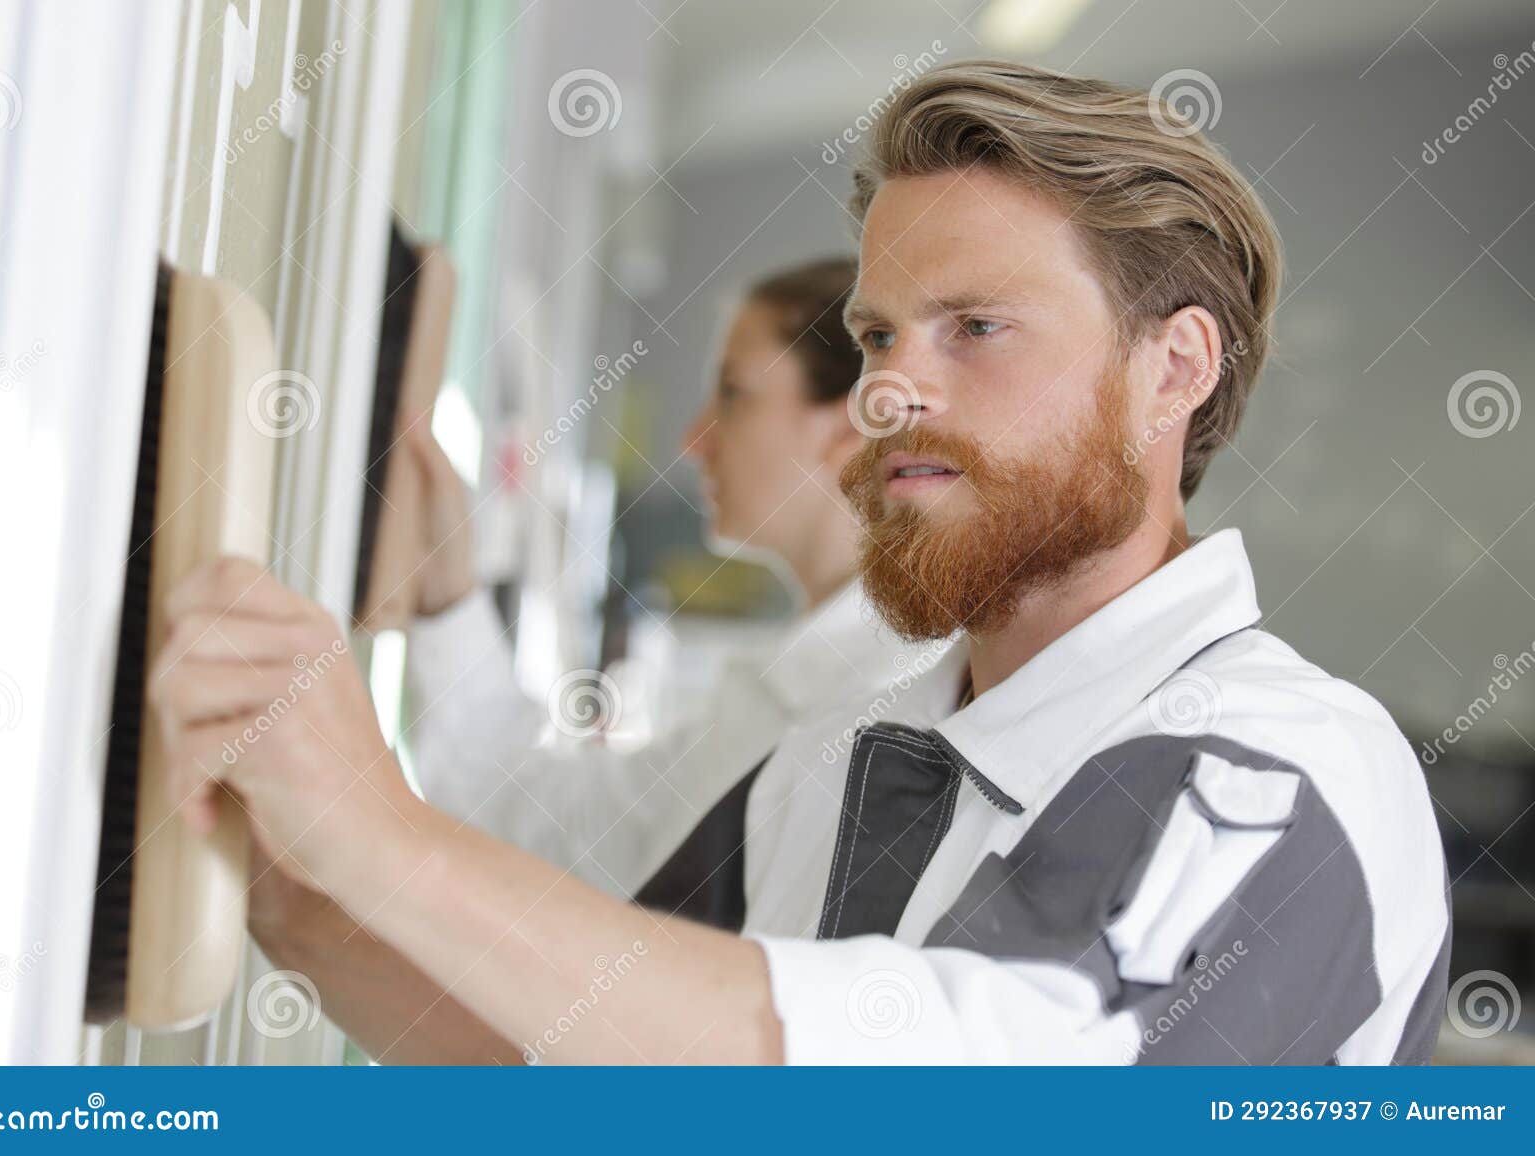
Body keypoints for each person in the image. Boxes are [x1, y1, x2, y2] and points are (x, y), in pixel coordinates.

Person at [152, 59, 1450, 1065]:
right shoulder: (837, 765)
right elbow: (567, 1046)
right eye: (879, 337)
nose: (890, 394)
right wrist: (294, 888)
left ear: (1172, 370)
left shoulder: (1287, 773)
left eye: (976, 329)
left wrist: (384, 841)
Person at [390, 256, 938, 899]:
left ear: (855, 423)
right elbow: (569, 826)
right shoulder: (809, 679)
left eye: (734, 394)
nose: (692, 438)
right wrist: (450, 595)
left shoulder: (864, 703)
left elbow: (572, 839)